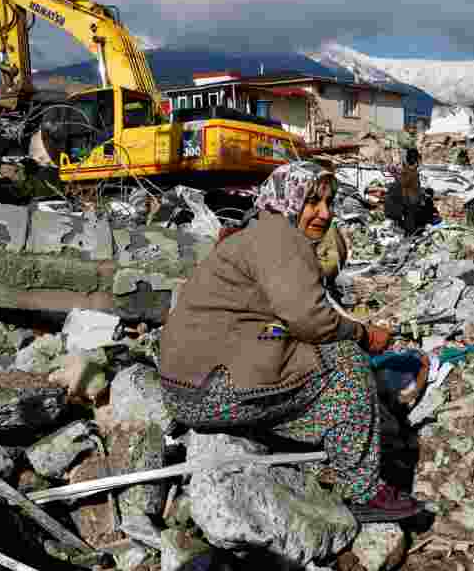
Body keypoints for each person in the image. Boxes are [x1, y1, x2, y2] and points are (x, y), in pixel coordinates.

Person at [159, 162, 422, 523]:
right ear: (289, 199)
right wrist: (362, 334)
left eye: (329, 202)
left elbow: (280, 320)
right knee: (345, 362)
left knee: (302, 351)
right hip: (208, 391)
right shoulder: (282, 240)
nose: (324, 213)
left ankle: (299, 437)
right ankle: (362, 490)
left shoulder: (260, 232)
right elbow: (310, 319)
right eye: (313, 201)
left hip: (185, 385)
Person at [401, 148, 422, 235]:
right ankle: (410, 234)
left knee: (410, 217)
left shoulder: (408, 170)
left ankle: (410, 233)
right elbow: (405, 184)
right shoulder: (410, 171)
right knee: (410, 218)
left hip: (409, 198)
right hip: (410, 199)